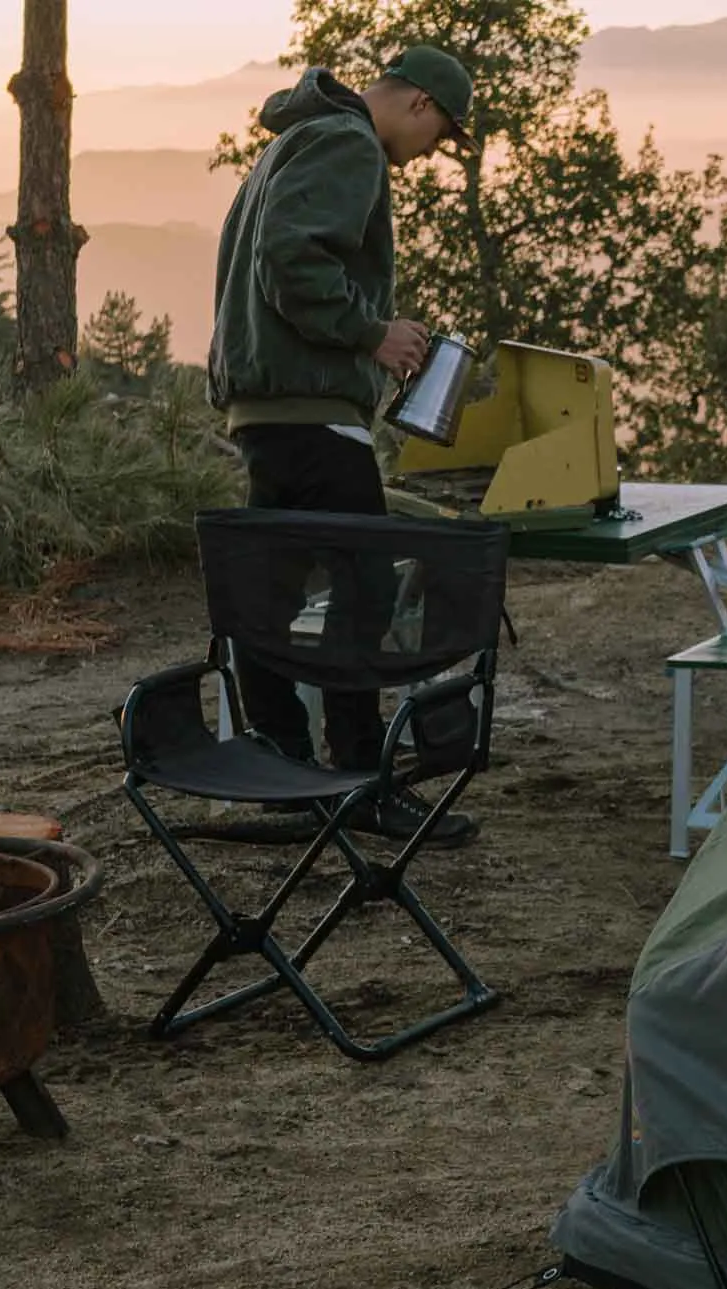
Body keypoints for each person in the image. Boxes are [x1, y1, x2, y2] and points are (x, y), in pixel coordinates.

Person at [207, 45, 481, 844]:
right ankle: (360, 783)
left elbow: (277, 257)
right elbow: (292, 260)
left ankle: (288, 774)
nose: (430, 154)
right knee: (364, 597)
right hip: (313, 417)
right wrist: (373, 333)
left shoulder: (292, 138)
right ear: (421, 105)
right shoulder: (349, 142)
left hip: (268, 415)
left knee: (270, 598)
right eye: (440, 136)